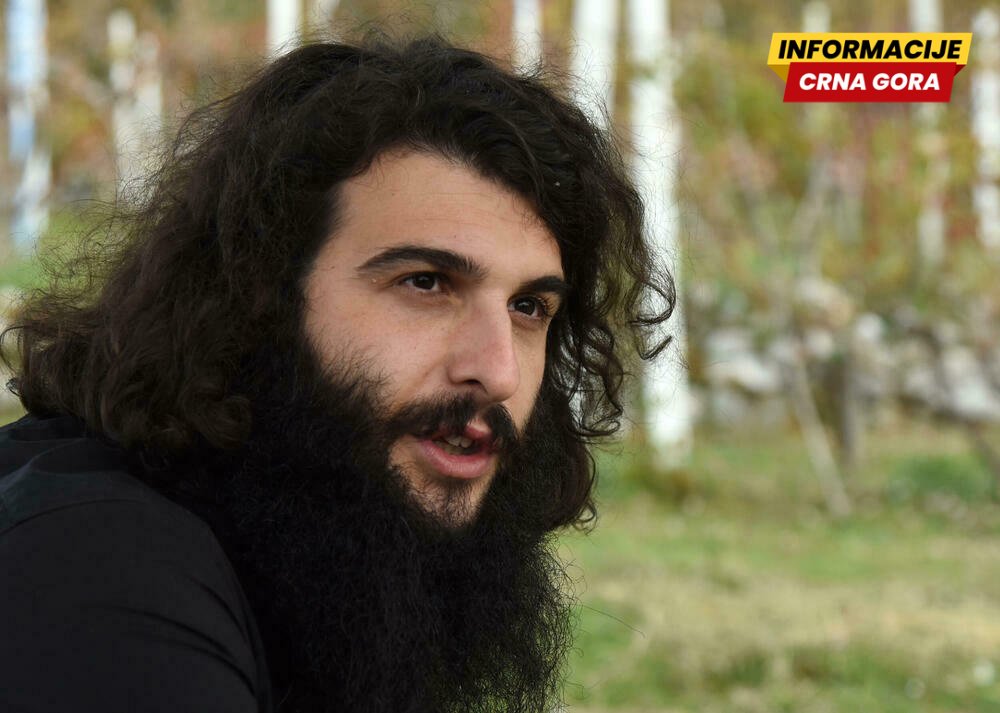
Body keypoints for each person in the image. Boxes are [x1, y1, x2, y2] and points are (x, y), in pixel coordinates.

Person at [0, 35, 673, 713]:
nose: (498, 372)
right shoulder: (99, 569)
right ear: (259, 297)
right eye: (426, 282)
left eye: (528, 307)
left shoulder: (324, 560)